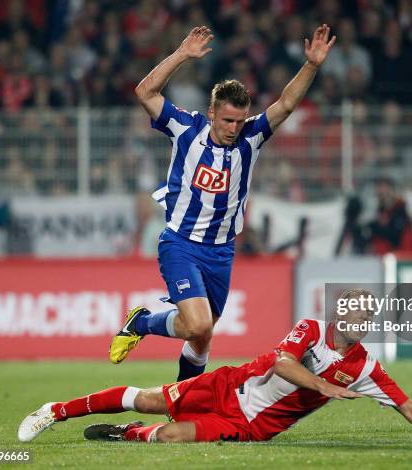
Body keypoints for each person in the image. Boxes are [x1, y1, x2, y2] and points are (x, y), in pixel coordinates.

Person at [108, 25, 337, 381]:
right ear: (213, 112)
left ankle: (185, 399)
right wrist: (182, 55)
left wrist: (311, 65)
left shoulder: (251, 138)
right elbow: (145, 91)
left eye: (239, 121)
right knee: (198, 324)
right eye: (228, 120)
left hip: (221, 251)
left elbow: (286, 104)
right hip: (181, 243)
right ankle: (144, 322)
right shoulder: (186, 127)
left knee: (202, 335)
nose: (233, 128)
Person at [19, 289, 412, 444]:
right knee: (152, 399)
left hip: (251, 426)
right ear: (341, 312)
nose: (362, 319)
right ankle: (55, 410)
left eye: (368, 315)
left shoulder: (364, 367)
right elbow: (282, 364)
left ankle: (127, 434)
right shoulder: (311, 328)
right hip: (230, 386)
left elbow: (407, 405)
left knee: (171, 437)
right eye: (356, 311)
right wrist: (323, 385)